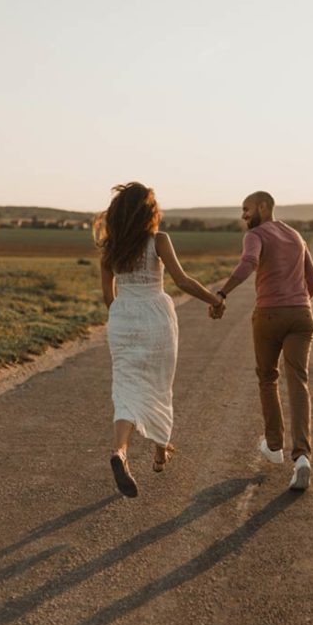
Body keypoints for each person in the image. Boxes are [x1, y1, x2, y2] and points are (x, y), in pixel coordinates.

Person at [95, 182, 225, 498]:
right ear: (149, 212)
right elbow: (182, 280)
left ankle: (121, 452)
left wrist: (125, 315)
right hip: (156, 318)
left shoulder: (110, 250)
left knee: (125, 389)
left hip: (123, 318)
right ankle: (159, 450)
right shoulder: (158, 241)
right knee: (158, 383)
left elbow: (107, 298)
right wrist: (214, 300)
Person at [210, 191, 313, 490]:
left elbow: (248, 263)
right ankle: (302, 459)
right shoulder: (296, 236)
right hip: (301, 314)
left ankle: (274, 446)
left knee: (268, 377)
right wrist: (295, 302)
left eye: (246, 209)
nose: (243, 216)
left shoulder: (256, 235)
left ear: (263, 206)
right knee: (298, 382)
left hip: (269, 315)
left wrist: (222, 293)